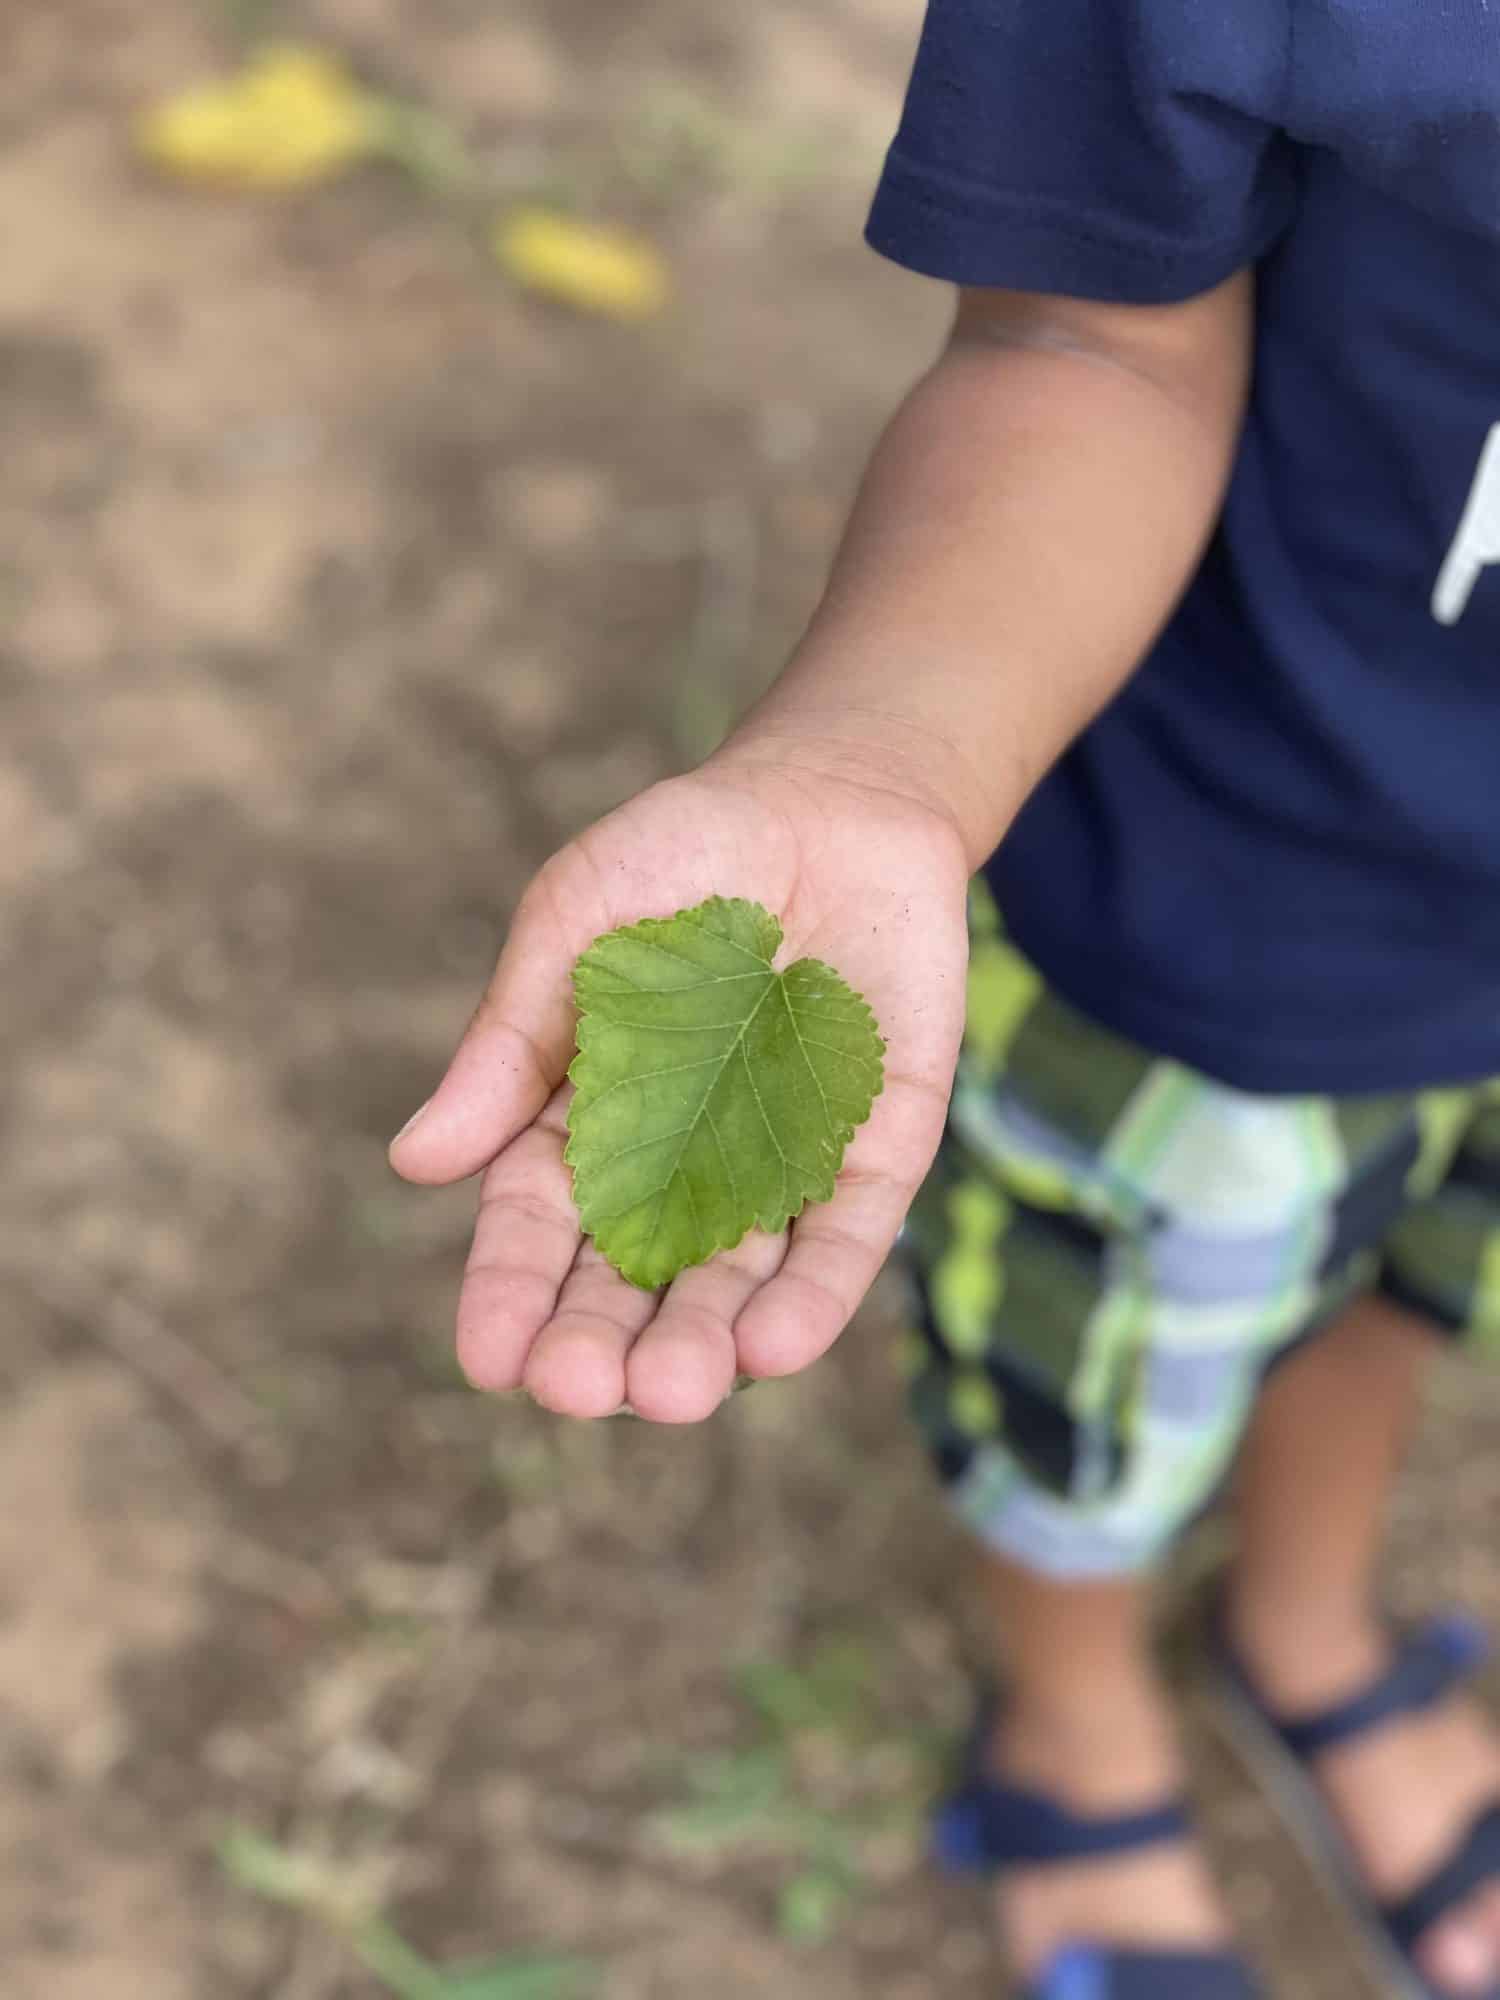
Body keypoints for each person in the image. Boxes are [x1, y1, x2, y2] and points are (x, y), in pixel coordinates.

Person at [390, 3, 1500, 1993]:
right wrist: (874, 765)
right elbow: (1091, 336)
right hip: (1224, 889)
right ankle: (1073, 1716)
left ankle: (1306, 1621)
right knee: (1102, 1374)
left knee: (1411, 1269)